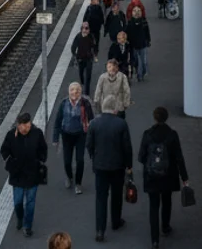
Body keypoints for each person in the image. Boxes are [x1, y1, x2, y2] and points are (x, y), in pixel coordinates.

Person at [138, 106, 189, 248]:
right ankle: (165, 227)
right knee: (167, 201)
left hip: (151, 176)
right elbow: (179, 157)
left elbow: (141, 157)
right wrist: (184, 177)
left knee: (153, 206)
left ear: (154, 118)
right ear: (166, 118)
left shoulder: (147, 134)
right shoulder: (172, 135)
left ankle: (154, 240)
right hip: (168, 175)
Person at [87, 95, 133, 241]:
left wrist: (94, 157)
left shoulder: (94, 123)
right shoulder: (121, 124)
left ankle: (100, 230)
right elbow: (127, 147)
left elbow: (89, 145)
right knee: (116, 195)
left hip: (100, 166)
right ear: (115, 109)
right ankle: (115, 221)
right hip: (117, 166)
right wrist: (129, 166)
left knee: (101, 197)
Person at [0, 112, 47, 238]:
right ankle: (20, 217)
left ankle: (27, 226)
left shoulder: (37, 133)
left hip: (32, 173)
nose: (25, 129)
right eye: (23, 127)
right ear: (18, 125)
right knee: (18, 201)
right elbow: (4, 150)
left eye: (27, 126)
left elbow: (43, 149)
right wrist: (11, 163)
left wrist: (40, 160)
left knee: (30, 202)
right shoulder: (11, 135)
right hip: (17, 174)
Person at [53, 82, 95, 195]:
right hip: (66, 135)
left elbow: (92, 120)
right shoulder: (63, 103)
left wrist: (92, 136)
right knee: (67, 161)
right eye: (72, 90)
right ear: (69, 91)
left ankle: (78, 183)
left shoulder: (85, 103)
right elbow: (57, 121)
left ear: (80, 92)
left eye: (77, 90)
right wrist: (55, 138)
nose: (74, 92)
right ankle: (69, 176)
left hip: (81, 134)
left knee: (80, 160)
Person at [125, 6, 152, 82]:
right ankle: (138, 73)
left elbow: (147, 32)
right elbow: (126, 34)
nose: (136, 12)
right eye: (134, 11)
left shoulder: (144, 22)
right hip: (133, 46)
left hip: (142, 45)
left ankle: (142, 73)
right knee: (135, 61)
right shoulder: (130, 23)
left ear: (141, 12)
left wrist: (148, 40)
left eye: (138, 10)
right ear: (132, 13)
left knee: (144, 62)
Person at [72, 22, 99, 92]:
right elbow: (73, 47)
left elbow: (94, 46)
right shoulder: (78, 37)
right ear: (81, 29)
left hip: (89, 58)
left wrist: (95, 55)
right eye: (84, 28)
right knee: (81, 72)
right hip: (80, 58)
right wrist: (75, 55)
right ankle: (82, 81)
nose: (85, 30)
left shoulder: (91, 37)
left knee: (88, 75)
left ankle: (87, 92)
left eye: (87, 28)